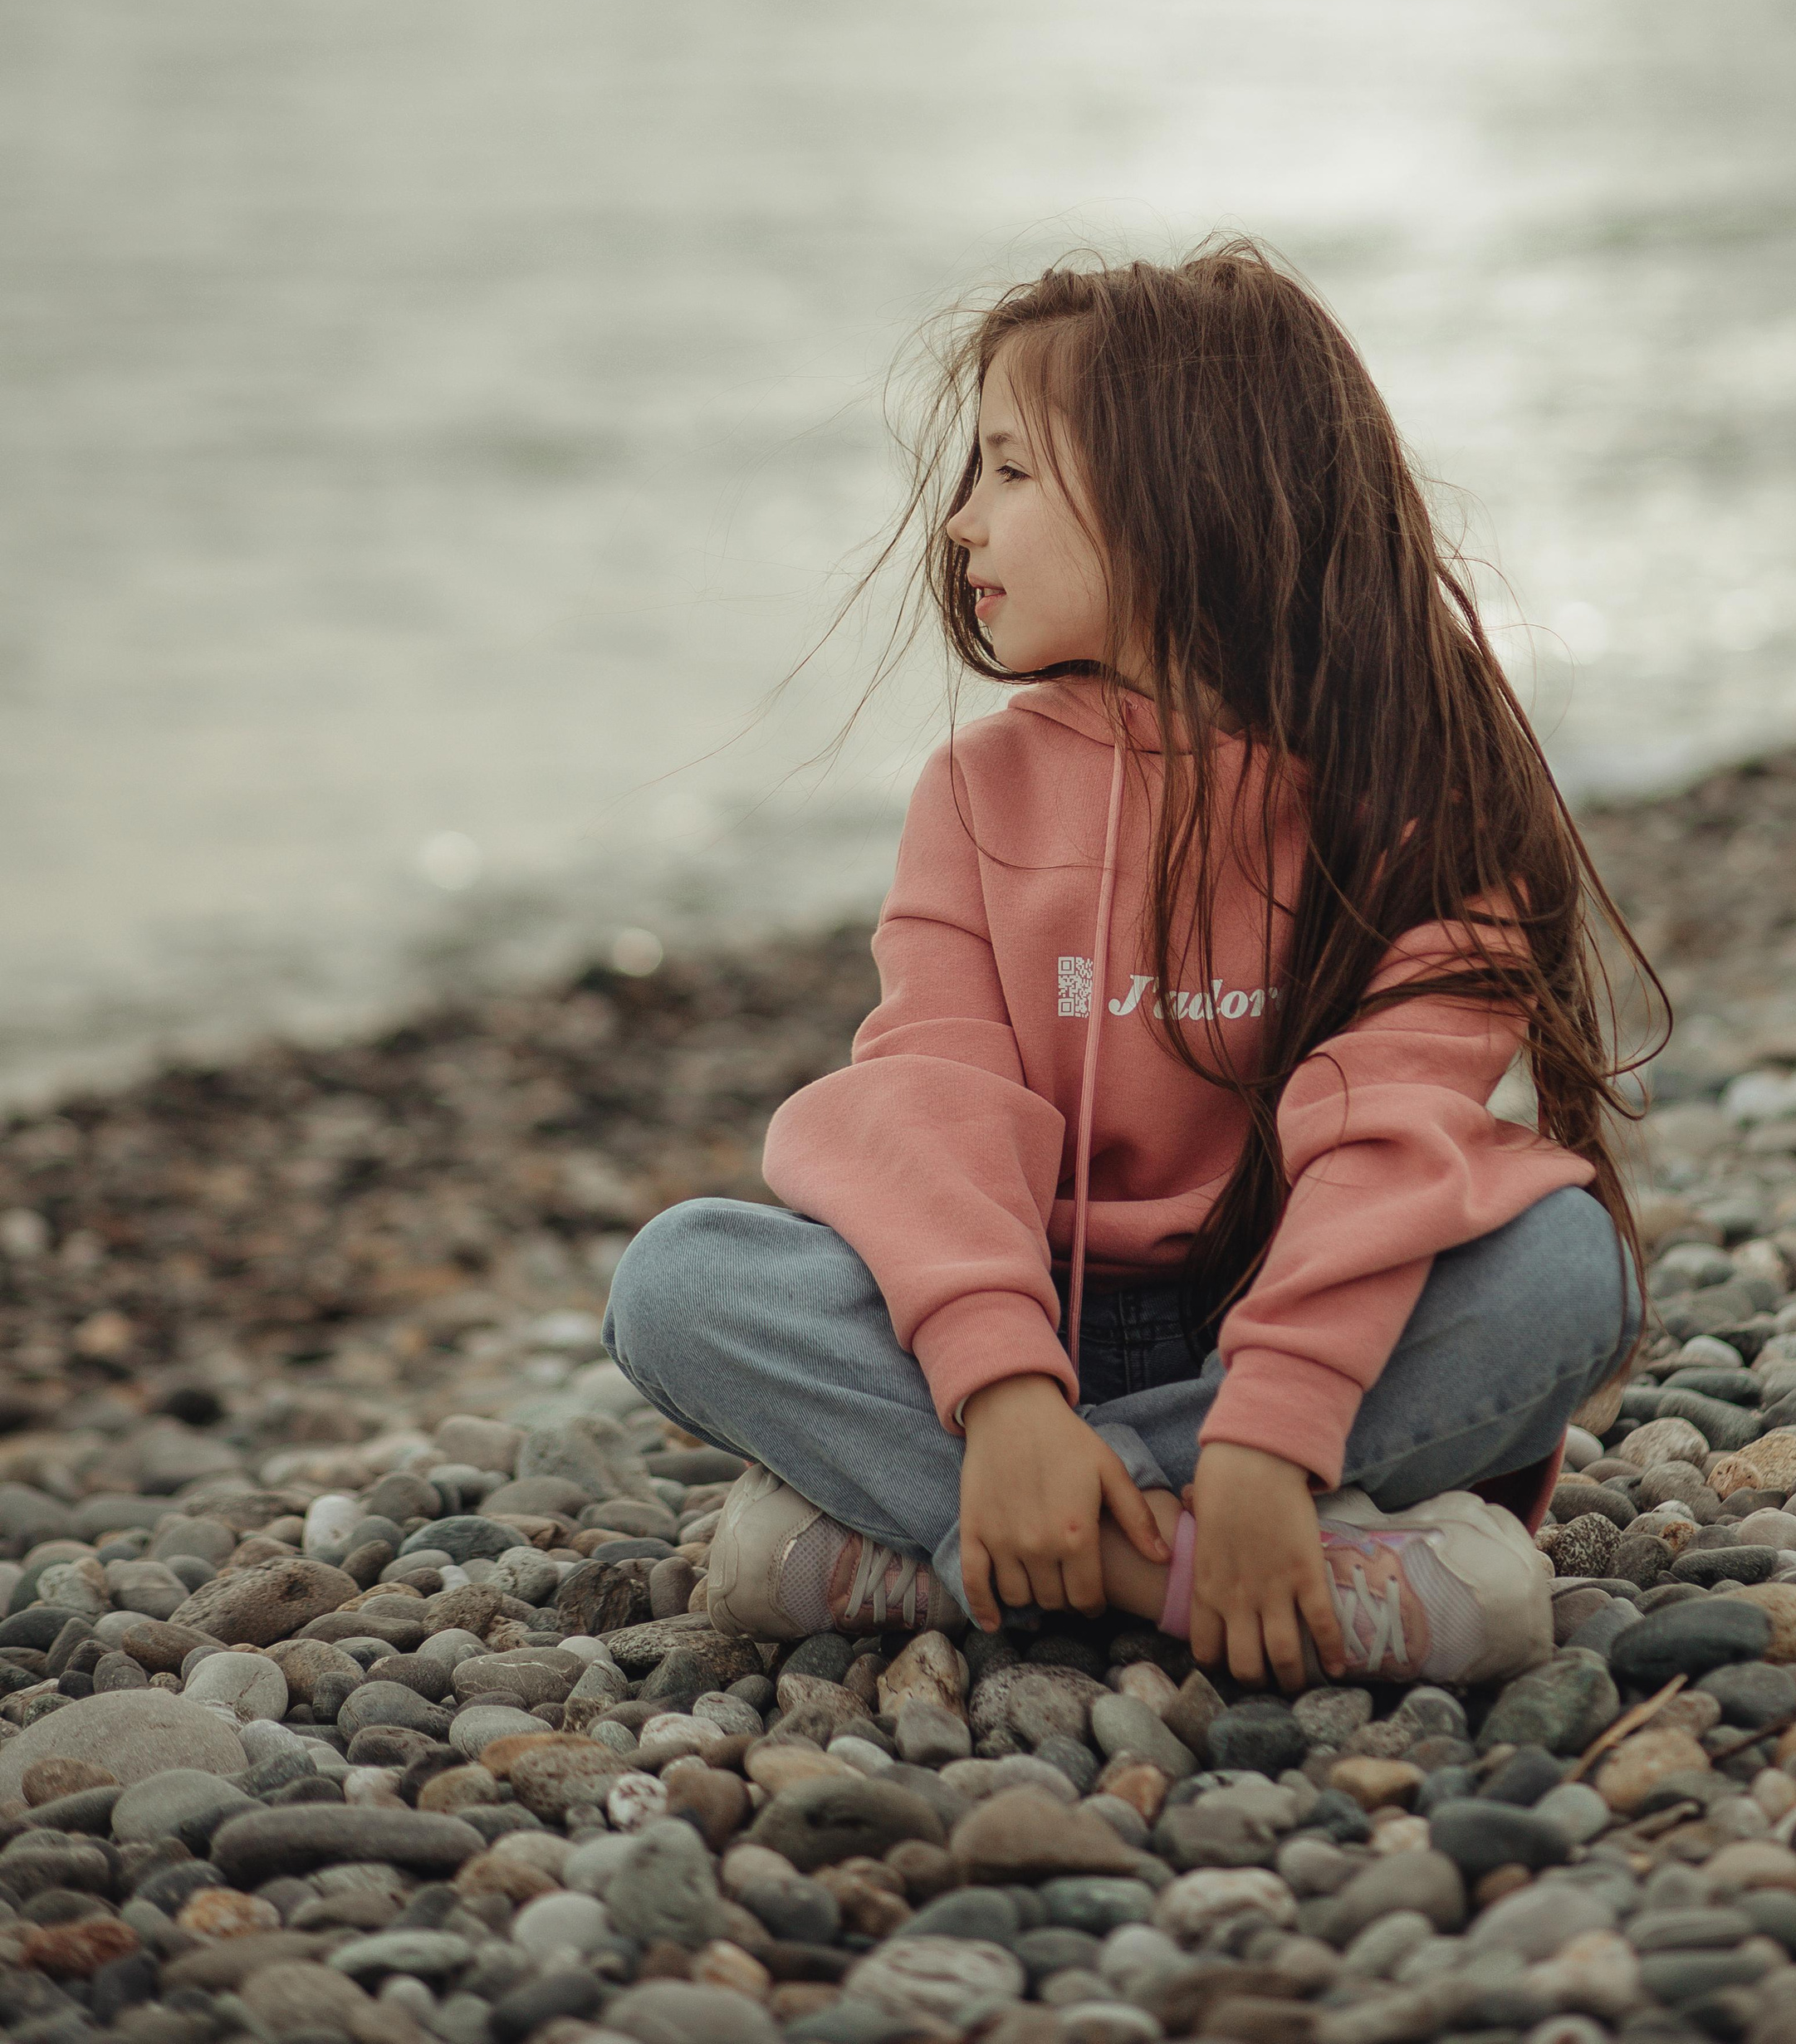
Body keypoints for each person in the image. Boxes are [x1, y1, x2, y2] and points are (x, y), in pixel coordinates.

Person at [604, 241, 1654, 1694]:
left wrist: (1274, 1428)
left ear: (1186, 495)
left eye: (1012, 472)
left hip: (1295, 1321)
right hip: (1014, 1330)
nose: (962, 521)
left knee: (1564, 1266)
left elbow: (1390, 1126)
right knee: (684, 1282)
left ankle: (951, 1555)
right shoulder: (977, 795)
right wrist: (1008, 1393)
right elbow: (937, 1095)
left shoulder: (1423, 786)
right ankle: (1228, 1576)